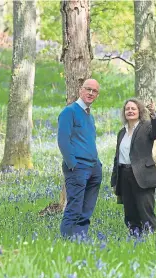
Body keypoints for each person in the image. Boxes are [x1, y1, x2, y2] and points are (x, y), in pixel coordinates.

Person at [57, 79, 102, 238]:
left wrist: (98, 165)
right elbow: (63, 140)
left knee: (87, 209)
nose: (91, 93)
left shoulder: (89, 116)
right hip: (78, 168)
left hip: (93, 168)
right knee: (74, 208)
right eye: (88, 89)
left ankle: (80, 240)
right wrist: (72, 164)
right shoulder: (69, 112)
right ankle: (67, 242)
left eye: (94, 91)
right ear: (80, 90)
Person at [111, 98, 156, 235]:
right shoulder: (121, 132)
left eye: (133, 108)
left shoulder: (146, 127)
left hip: (142, 176)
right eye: (127, 109)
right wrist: (114, 180)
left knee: (146, 212)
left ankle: (152, 240)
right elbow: (117, 157)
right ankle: (135, 239)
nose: (130, 111)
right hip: (124, 175)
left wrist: (154, 114)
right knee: (130, 213)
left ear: (139, 111)